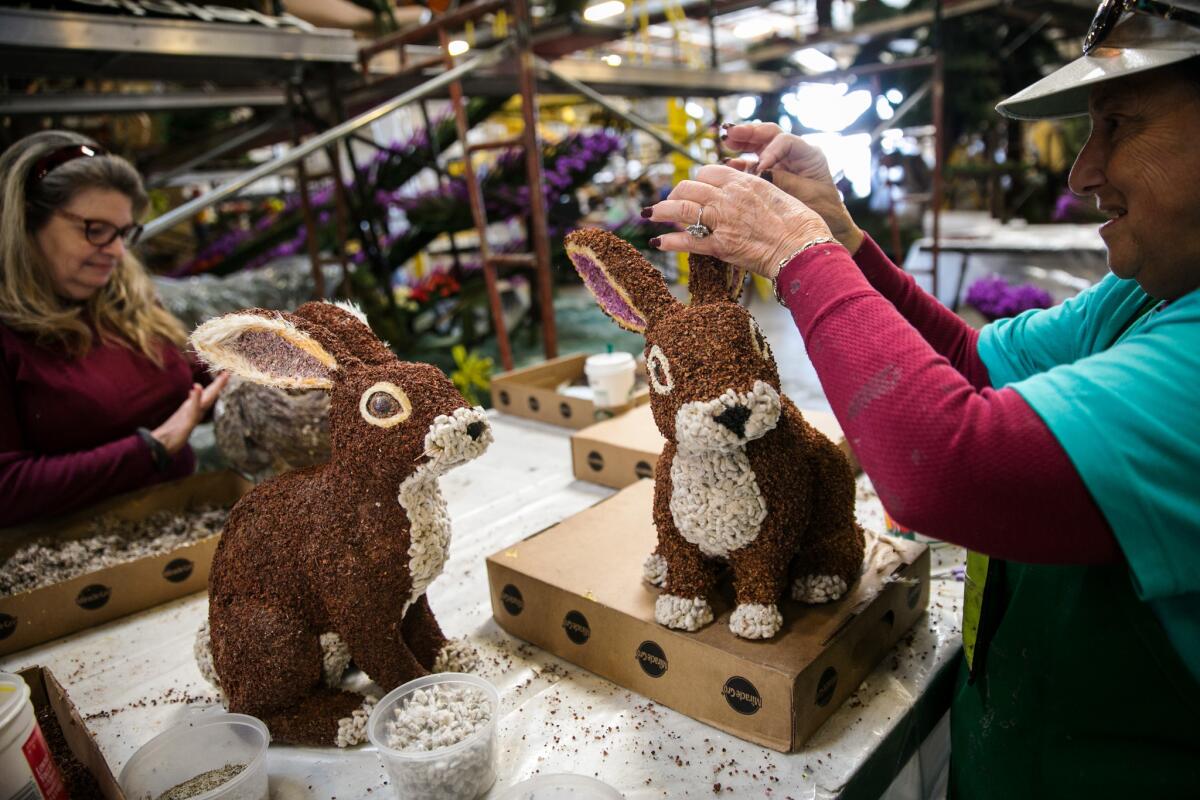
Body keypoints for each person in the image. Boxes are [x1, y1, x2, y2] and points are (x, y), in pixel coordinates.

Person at [643, 7, 1199, 798]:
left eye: (1119, 123)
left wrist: (796, 256)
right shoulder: (1144, 297)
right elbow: (974, 365)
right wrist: (839, 236)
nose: (1083, 171)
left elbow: (950, 468)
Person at [0, 131, 228, 528]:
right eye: (95, 229)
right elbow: (7, 487)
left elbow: (188, 381)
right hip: (74, 562)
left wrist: (252, 371)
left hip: (177, 521)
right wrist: (152, 450)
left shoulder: (127, 302)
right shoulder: (10, 337)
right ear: (26, 223)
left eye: (123, 233)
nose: (117, 252)